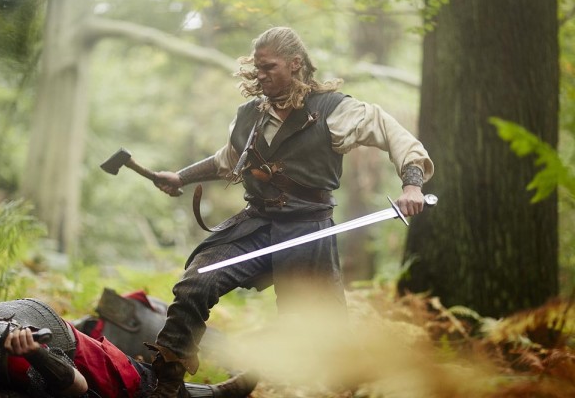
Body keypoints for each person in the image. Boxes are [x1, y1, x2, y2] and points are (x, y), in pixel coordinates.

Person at [150, 26, 434, 397]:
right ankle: (164, 384)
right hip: (256, 226)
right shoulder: (249, 115)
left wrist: (412, 184)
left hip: (308, 233)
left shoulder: (334, 110)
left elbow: (397, 137)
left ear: (295, 64)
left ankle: (265, 386)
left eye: (269, 67)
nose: (260, 75)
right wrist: (181, 177)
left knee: (320, 337)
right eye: (257, 68)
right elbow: (227, 161)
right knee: (196, 281)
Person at [0, 298, 257, 398]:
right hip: (94, 367)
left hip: (76, 335)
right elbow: (78, 387)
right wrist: (36, 353)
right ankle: (220, 391)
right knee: (146, 383)